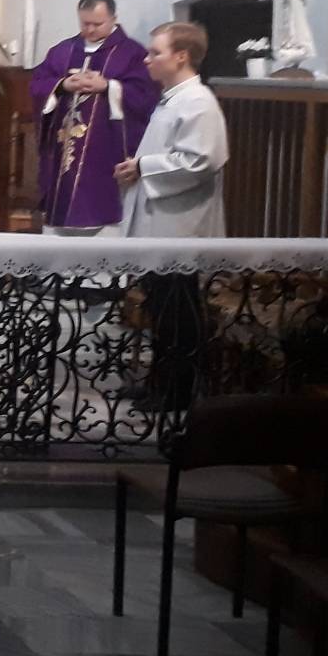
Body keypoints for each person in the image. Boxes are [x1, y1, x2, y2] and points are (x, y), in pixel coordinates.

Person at [115, 21, 229, 411]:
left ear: (181, 56)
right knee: (161, 308)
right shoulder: (173, 99)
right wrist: (137, 167)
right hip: (162, 221)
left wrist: (144, 166)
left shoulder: (198, 101)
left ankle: (178, 392)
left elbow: (202, 160)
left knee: (178, 312)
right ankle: (159, 381)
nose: (147, 59)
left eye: (155, 52)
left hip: (181, 225)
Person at [30, 0, 159, 235]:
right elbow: (37, 84)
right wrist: (62, 85)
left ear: (113, 19)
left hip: (105, 150)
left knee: (102, 220)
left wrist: (109, 86)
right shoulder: (63, 51)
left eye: (97, 24)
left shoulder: (131, 53)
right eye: (85, 23)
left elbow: (146, 95)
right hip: (64, 148)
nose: (89, 30)